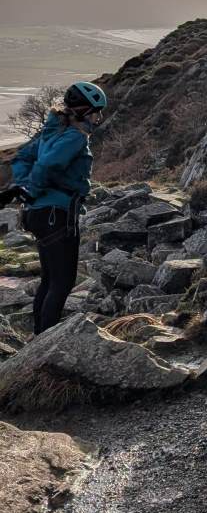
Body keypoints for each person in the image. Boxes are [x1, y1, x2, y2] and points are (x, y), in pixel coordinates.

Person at [10, 82, 107, 334]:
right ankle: (46, 343)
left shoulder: (51, 132)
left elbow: (22, 158)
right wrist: (31, 189)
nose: (98, 118)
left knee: (50, 280)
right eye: (96, 112)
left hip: (38, 214)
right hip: (57, 214)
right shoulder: (75, 137)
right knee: (62, 282)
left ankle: (39, 337)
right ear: (83, 111)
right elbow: (48, 165)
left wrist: (24, 187)